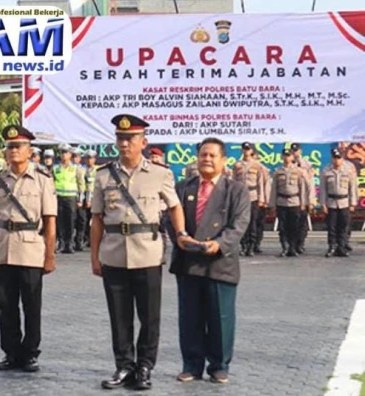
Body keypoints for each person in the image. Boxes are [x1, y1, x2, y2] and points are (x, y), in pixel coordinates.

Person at [90, 114, 186, 391]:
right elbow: (97, 218)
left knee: (149, 315)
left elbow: (175, 206)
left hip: (148, 252)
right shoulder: (104, 175)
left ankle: (144, 366)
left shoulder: (160, 174)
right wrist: (94, 256)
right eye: (120, 138)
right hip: (114, 252)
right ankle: (123, 366)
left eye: (130, 138)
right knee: (119, 316)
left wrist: (180, 235)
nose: (124, 143)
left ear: (143, 142)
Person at [168, 137, 250, 385]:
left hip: (220, 263)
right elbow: (169, 218)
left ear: (224, 160)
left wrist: (220, 243)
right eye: (203, 154)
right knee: (190, 318)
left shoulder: (236, 189)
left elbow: (239, 224)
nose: (207, 159)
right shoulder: (183, 187)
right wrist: (180, 237)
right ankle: (191, 365)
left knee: (220, 318)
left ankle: (219, 366)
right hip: (188, 261)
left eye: (213, 155)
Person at [0, 125, 57, 373]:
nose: (13, 150)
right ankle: (11, 352)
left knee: (31, 304)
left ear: (29, 150)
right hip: (2, 246)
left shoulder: (43, 180)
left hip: (30, 247)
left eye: (18, 146)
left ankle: (30, 353)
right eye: (10, 147)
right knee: (4, 305)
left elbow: (50, 221)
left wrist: (49, 255)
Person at [270, 148, 311, 257]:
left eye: (289, 156)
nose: (287, 158)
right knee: (282, 227)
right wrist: (272, 204)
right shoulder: (278, 172)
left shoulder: (298, 171)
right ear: (282, 157)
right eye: (285, 156)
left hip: (295, 201)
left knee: (294, 226)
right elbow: (274, 189)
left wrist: (303, 203)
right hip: (281, 202)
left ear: (292, 157)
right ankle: (285, 247)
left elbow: (302, 188)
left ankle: (293, 247)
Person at [320, 148, 357, 257]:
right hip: (331, 202)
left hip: (344, 202)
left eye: (339, 158)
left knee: (343, 226)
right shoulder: (326, 171)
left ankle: (341, 247)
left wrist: (352, 203)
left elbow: (352, 188)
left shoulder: (348, 170)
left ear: (342, 158)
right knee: (331, 227)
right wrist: (323, 204)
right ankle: (332, 247)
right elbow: (323, 189)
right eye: (335, 158)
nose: (336, 160)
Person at [232, 142, 267, 256]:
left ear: (252, 151)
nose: (246, 151)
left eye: (248, 149)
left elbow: (261, 183)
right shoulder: (237, 165)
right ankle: (244, 245)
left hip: (253, 195)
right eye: (244, 149)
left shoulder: (257, 165)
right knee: (241, 222)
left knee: (252, 222)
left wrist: (262, 198)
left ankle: (251, 246)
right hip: (240, 195)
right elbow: (233, 181)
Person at [53, 144, 82, 254]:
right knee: (59, 221)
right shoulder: (56, 168)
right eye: (62, 152)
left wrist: (80, 199)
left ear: (70, 155)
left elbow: (81, 185)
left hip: (71, 198)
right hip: (59, 197)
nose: (64, 155)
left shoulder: (75, 168)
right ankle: (61, 243)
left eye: (66, 152)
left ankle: (69, 244)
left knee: (70, 221)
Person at [291, 143, 314, 254]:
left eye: (296, 151)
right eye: (293, 151)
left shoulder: (307, 165)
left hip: (304, 198)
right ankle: (292, 244)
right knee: (292, 222)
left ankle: (300, 243)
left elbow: (311, 184)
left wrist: (311, 200)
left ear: (300, 151)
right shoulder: (288, 164)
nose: (294, 153)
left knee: (302, 223)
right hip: (293, 197)